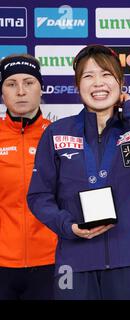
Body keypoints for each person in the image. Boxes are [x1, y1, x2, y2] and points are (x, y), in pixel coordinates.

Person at [27, 45, 130, 300]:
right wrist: (67, 226)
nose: (98, 83)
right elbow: (38, 196)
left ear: (120, 83)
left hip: (127, 261)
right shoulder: (57, 132)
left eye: (106, 75)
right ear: (78, 85)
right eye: (88, 76)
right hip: (74, 261)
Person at [0, 54, 57, 300]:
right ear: (2, 92)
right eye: (11, 84)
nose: (20, 91)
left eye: (29, 82)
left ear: (41, 88)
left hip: (52, 261)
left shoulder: (59, 135)